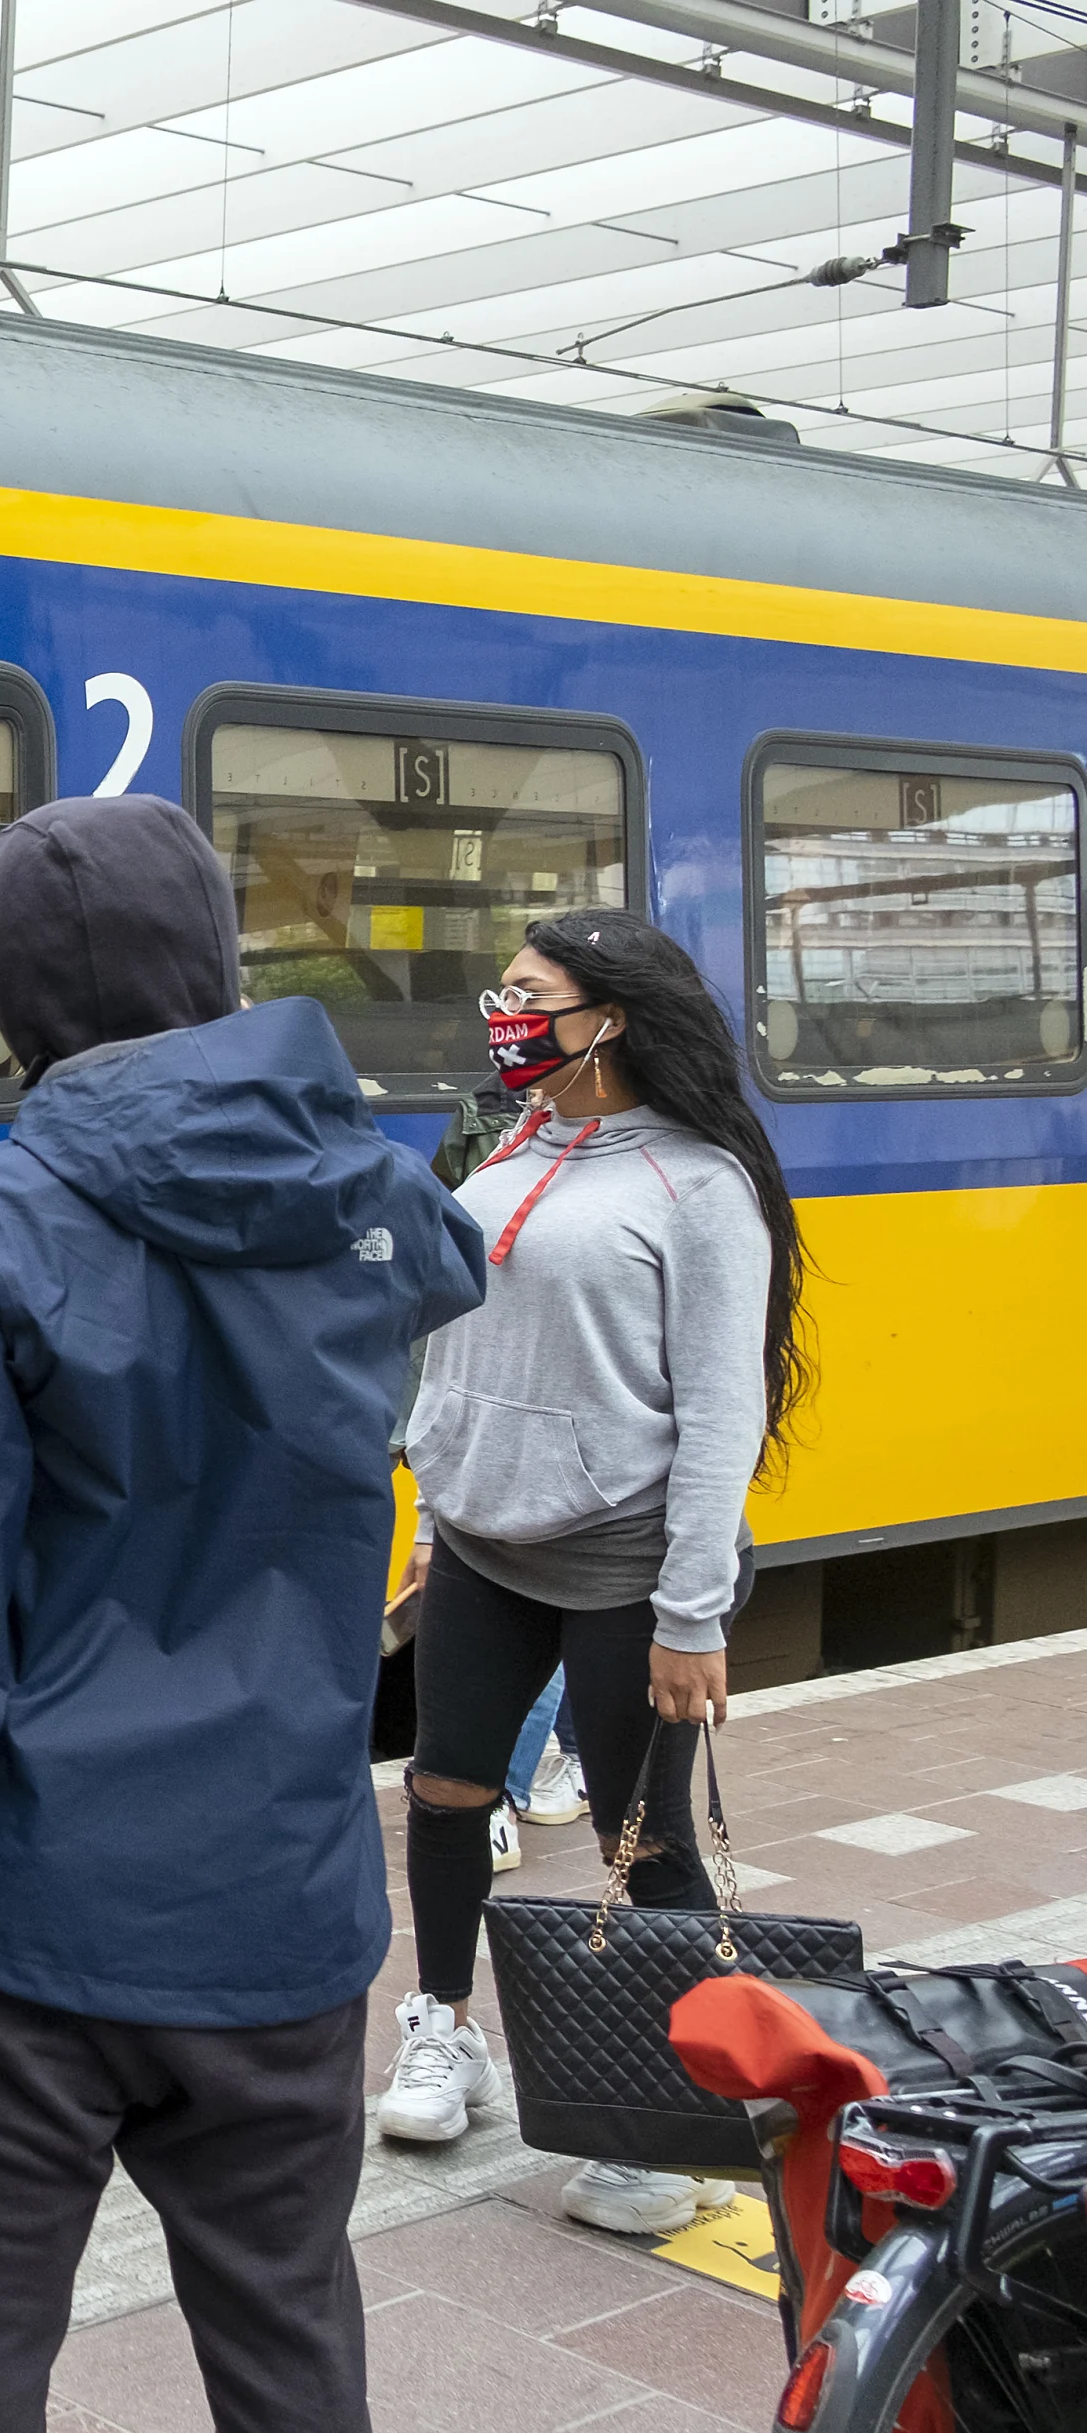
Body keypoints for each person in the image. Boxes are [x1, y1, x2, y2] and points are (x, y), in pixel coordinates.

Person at [0, 796, 485, 2433]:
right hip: (283, 1902)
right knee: (291, 2343)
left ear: (7, 996)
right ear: (221, 960)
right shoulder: (375, 1199)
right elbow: (446, 1262)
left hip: (24, 1920)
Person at [376, 910, 803, 2242]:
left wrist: (692, 1613)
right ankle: (446, 2029)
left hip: (627, 1569)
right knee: (446, 1793)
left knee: (644, 1842)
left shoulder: (698, 1185)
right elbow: (460, 1355)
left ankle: (669, 2128)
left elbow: (724, 1414)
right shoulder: (512, 1148)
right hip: (487, 1550)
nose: (503, 1013)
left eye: (530, 994)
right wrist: (439, 1513)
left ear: (607, 1016)